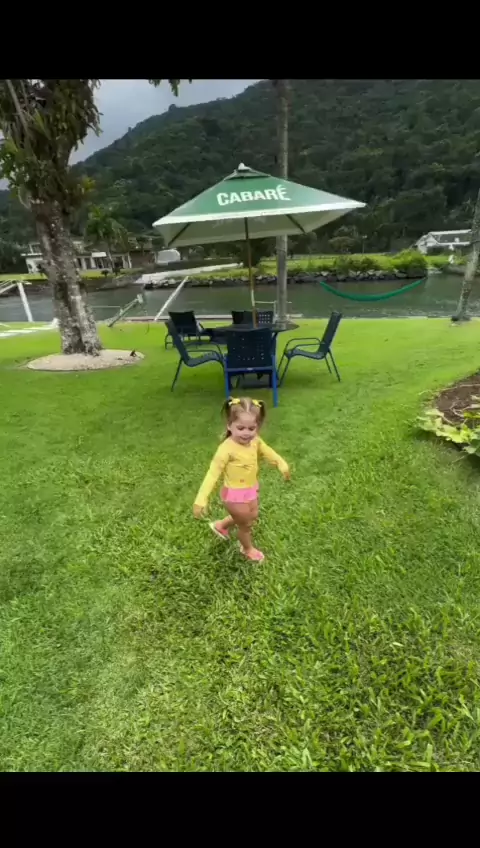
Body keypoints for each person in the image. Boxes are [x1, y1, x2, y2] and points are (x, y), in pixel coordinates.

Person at [193, 397, 290, 563]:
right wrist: (201, 499)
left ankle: (220, 526)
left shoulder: (255, 441)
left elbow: (268, 451)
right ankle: (247, 549)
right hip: (234, 496)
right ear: (229, 426)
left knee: (252, 515)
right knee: (246, 525)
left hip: (251, 489)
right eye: (240, 428)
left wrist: (281, 463)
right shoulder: (226, 449)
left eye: (252, 428)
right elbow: (212, 473)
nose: (247, 433)